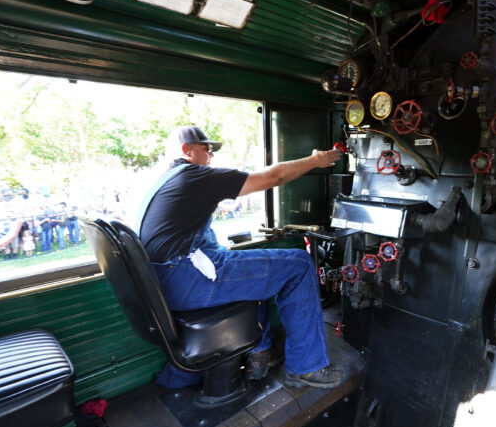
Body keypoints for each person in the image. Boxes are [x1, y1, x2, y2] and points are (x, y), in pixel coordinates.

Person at [138, 126, 344, 389]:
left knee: (250, 265)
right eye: (206, 148)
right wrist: (316, 161)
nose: (211, 154)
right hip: (184, 279)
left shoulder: (165, 181)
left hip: (163, 284)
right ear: (186, 151)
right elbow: (274, 176)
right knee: (299, 264)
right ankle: (306, 366)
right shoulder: (194, 176)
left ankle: (261, 353)